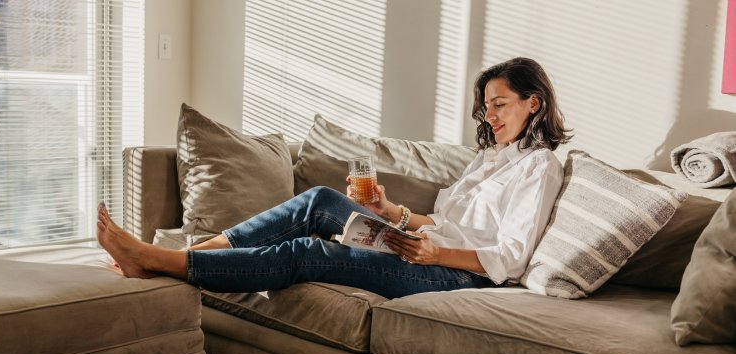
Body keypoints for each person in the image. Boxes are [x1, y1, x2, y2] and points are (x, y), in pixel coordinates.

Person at [97, 57, 571, 299]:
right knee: (318, 200)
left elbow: (510, 257)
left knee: (308, 251)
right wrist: (392, 214)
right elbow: (442, 221)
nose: (489, 117)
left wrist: (437, 253)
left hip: (460, 278)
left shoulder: (539, 167)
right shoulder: (489, 159)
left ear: (534, 102)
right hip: (428, 252)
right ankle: (173, 256)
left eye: (500, 105)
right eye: (485, 107)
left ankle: (163, 263)